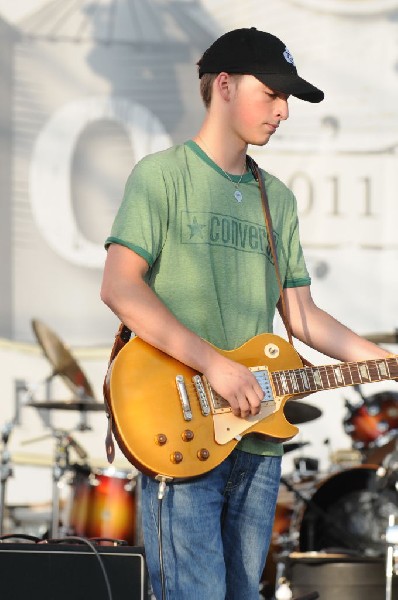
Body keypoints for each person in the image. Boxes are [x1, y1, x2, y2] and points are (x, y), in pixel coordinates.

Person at [101, 27, 392, 600]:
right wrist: (215, 365)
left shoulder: (275, 197)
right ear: (226, 86)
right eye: (274, 94)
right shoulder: (162, 176)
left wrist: (384, 362)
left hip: (258, 437)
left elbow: (302, 315)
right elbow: (120, 287)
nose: (283, 111)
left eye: (289, 100)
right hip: (179, 428)